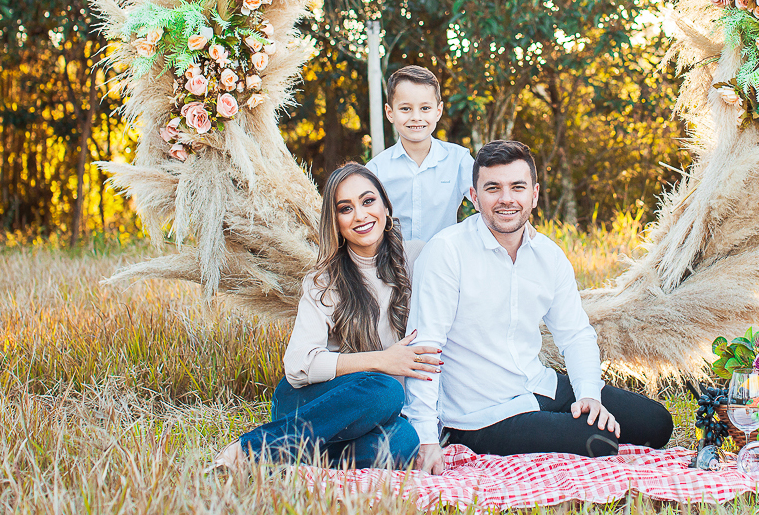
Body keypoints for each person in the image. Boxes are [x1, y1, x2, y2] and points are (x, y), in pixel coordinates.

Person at [404, 140, 673, 474]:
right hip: (481, 415)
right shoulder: (446, 252)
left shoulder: (549, 255)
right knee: (599, 441)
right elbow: (425, 348)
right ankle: (558, 428)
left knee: (657, 423)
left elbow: (575, 335)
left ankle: (559, 420)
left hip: (537, 384)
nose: (506, 199)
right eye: (493, 188)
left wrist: (588, 395)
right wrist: (425, 438)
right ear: (474, 196)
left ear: (534, 194)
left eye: (517, 187)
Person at [213, 163, 441, 470]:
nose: (360, 215)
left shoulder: (416, 258)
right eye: (346, 208)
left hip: (369, 418)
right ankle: (247, 450)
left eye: (368, 201)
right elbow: (298, 366)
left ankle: (286, 454)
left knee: (403, 441)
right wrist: (381, 360)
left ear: (386, 206)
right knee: (386, 390)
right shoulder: (325, 281)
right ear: (335, 222)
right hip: (311, 404)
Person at [367, 66, 474, 243]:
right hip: (393, 265)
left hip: (444, 263)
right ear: (390, 113)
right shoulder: (376, 169)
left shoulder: (458, 159)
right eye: (405, 109)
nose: (416, 117)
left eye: (425, 108)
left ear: (438, 111)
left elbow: (487, 202)